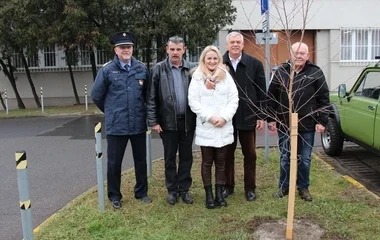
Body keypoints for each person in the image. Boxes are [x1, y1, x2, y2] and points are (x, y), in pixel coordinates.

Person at [91, 31, 152, 209]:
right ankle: (114, 196)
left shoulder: (141, 68)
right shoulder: (107, 70)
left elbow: (147, 94)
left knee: (140, 161)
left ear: (133, 48)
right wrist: (111, 111)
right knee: (114, 163)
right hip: (117, 125)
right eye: (122, 47)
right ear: (115, 50)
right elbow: (96, 95)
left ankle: (141, 192)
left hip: (138, 124)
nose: (126, 50)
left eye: (129, 47)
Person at [266, 42, 330, 201]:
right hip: (284, 124)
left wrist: (322, 121)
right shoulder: (281, 72)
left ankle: (303, 188)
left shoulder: (315, 73)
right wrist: (271, 118)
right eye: (296, 53)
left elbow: (324, 99)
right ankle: (284, 186)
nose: (299, 56)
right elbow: (271, 97)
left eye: (303, 53)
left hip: (307, 125)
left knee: (305, 159)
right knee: (285, 157)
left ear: (308, 55)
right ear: (291, 54)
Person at [147, 36, 197, 205]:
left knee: (186, 157)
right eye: (172, 49)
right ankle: (172, 190)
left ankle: (184, 189)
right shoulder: (158, 69)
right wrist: (153, 121)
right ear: (167, 50)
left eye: (178, 49)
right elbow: (151, 98)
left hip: (188, 122)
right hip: (167, 122)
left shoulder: (192, 69)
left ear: (184, 49)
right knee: (169, 158)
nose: (175, 53)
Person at [188, 45, 239, 209]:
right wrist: (209, 117)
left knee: (222, 162)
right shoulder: (197, 77)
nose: (212, 61)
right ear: (204, 59)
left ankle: (219, 194)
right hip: (207, 127)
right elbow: (193, 101)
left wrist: (224, 118)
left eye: (215, 58)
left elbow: (234, 99)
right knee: (207, 162)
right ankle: (209, 196)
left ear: (219, 60)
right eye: (209, 58)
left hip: (223, 127)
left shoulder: (226, 77)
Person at [222, 31, 267, 201]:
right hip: (227, 118)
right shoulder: (219, 63)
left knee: (250, 154)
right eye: (232, 42)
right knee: (227, 154)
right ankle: (228, 186)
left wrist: (261, 116)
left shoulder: (254, 64)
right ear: (227, 45)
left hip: (249, 116)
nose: (235, 44)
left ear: (243, 45)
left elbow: (262, 91)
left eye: (238, 42)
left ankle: (250, 188)